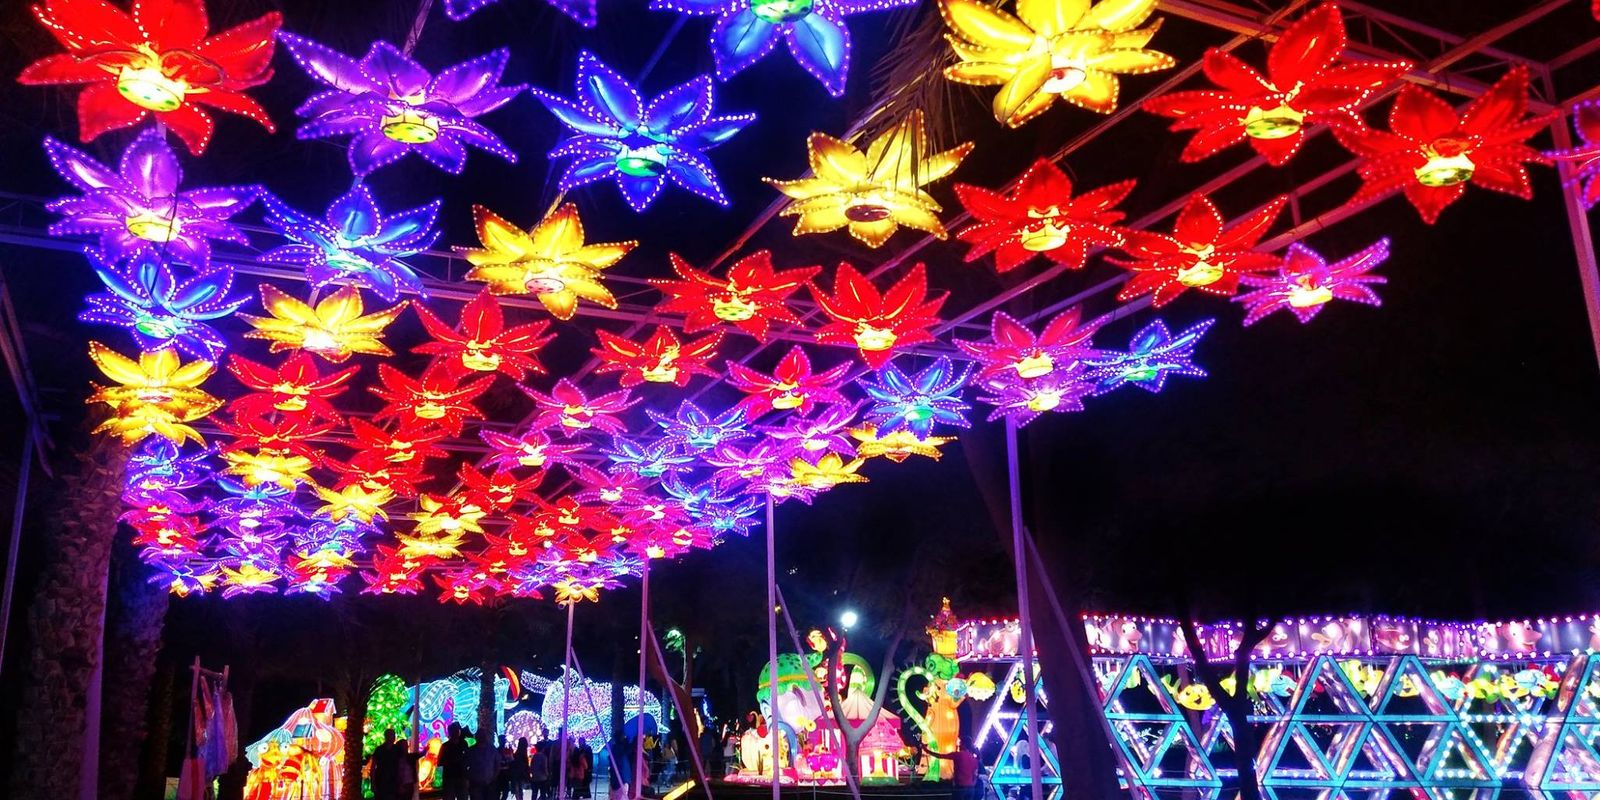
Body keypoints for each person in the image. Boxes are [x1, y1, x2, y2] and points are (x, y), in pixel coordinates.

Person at [368, 728, 403, 800]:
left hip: (393, 781)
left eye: (394, 735)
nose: (394, 737)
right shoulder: (379, 750)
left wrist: (400, 782)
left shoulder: (397, 749)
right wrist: (372, 783)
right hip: (381, 781)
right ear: (386, 736)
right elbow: (373, 767)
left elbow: (400, 766)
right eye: (392, 735)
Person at [440, 723, 471, 800]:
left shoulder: (463, 744)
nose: (457, 732)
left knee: (462, 796)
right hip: (450, 777)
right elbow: (440, 762)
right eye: (455, 730)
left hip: (460, 776)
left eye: (457, 730)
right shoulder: (446, 746)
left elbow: (468, 757)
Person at [469, 731, 501, 800]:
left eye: (483, 736)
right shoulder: (472, 750)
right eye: (480, 736)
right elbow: (465, 765)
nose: (482, 738)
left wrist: (493, 778)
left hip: (489, 783)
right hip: (476, 784)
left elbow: (497, 765)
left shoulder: (492, 749)